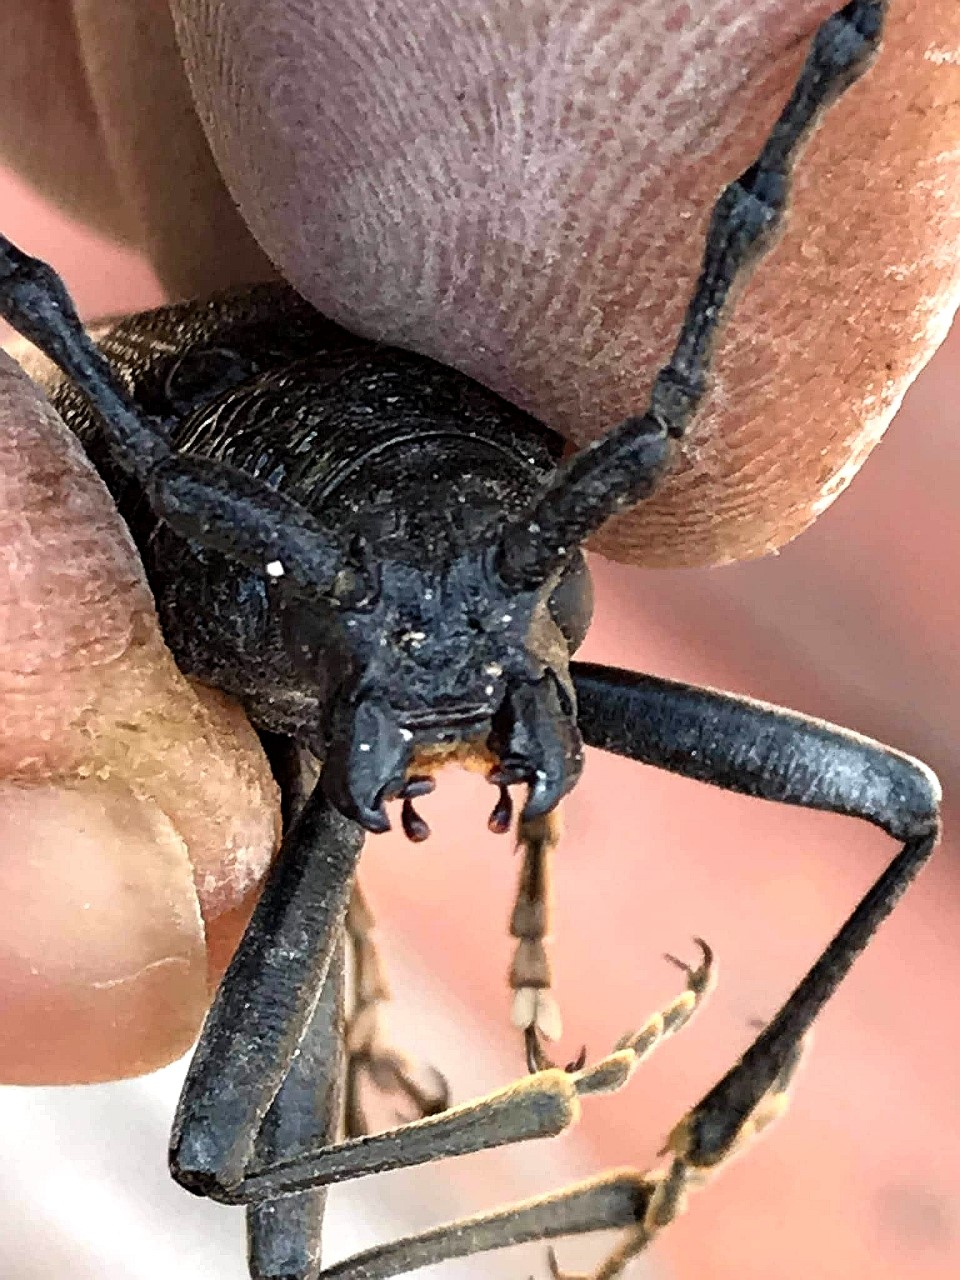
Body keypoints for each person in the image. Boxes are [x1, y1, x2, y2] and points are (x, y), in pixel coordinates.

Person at [1, 4, 958, 1278]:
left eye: (519, 607)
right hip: (245, 540)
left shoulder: (504, 517)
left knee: (895, 804)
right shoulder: (209, 518)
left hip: (337, 522)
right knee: (245, 1181)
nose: (455, 672)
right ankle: (576, 1164)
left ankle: (708, 1130)